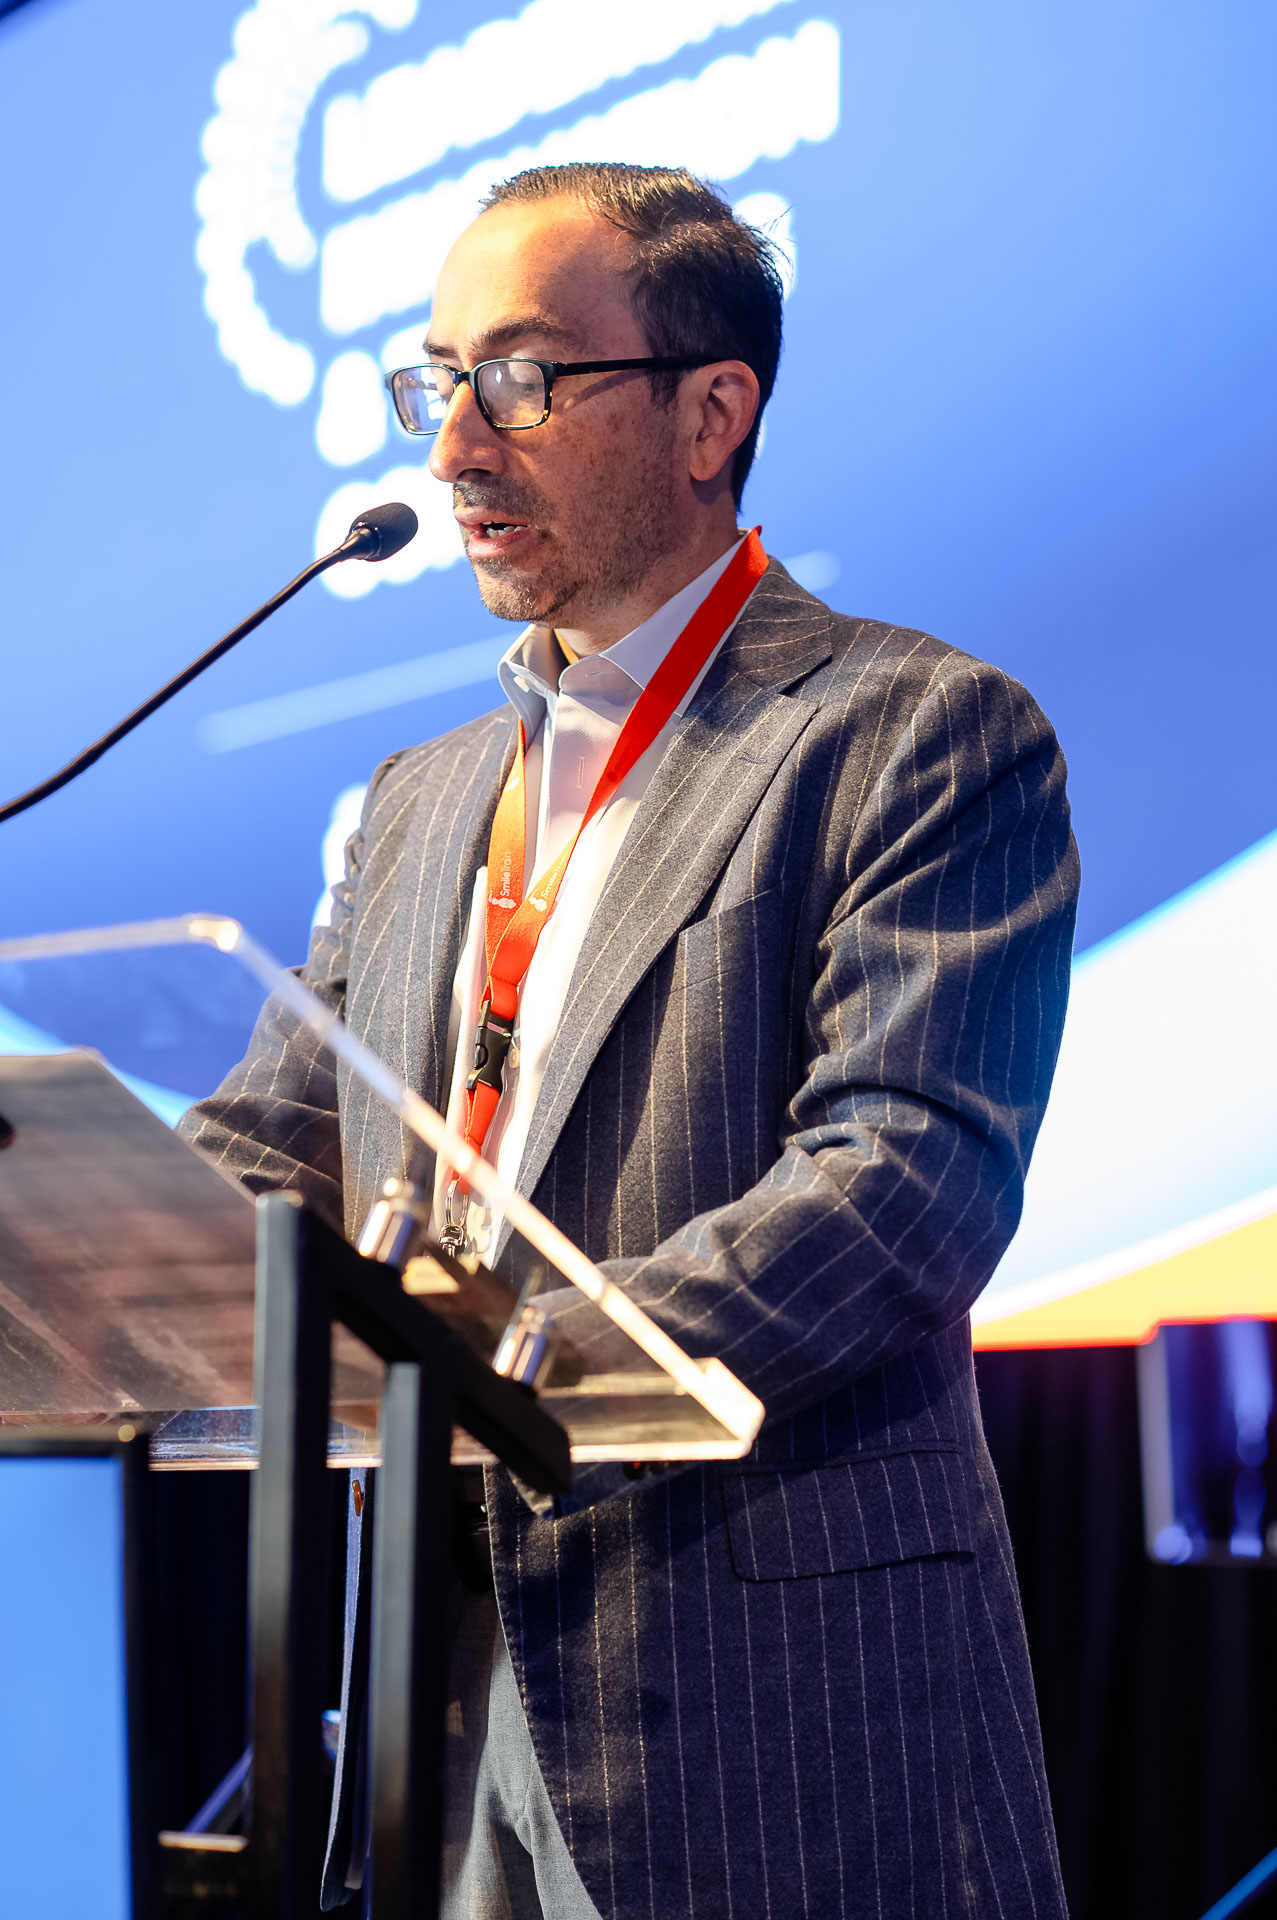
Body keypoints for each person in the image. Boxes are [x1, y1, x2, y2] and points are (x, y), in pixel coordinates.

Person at [183, 162, 1078, 1918]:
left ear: (707, 411)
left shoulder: (913, 732)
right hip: (434, 1679)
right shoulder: (419, 799)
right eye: (435, 382)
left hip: (771, 1684)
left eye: (517, 379)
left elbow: (905, 1180)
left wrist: (508, 1372)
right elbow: (275, 1143)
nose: (451, 448)